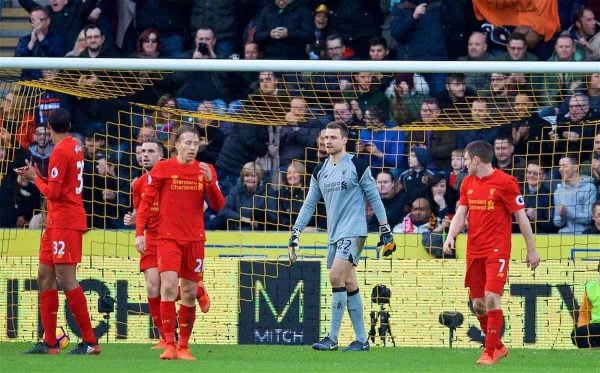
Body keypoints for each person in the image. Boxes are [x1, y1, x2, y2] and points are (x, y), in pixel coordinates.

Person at [288, 121, 396, 352]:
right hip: (335, 234)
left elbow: (374, 197)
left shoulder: (357, 165)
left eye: (333, 137)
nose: (327, 141)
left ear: (344, 140)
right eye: (325, 137)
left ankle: (332, 338)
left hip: (355, 231)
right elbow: (309, 205)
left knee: (335, 276)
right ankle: (362, 340)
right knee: (348, 282)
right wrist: (295, 232)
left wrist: (385, 229)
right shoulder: (320, 170)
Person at [443, 140, 540, 365]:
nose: (464, 164)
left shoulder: (506, 182)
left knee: (491, 297)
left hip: (497, 249)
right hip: (474, 249)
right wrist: (450, 236)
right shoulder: (467, 182)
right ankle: (498, 346)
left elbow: (521, 217)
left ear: (476, 160)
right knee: (477, 303)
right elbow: (461, 213)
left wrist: (531, 249)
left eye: (466, 160)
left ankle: (489, 352)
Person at [135, 127, 226, 360]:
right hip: (168, 239)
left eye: (196, 143)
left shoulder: (205, 170)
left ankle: (184, 346)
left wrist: (211, 183)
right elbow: (145, 203)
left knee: (188, 291)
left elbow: (218, 205)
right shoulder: (163, 169)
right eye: (188, 143)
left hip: (195, 240)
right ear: (177, 145)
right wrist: (139, 233)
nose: (192, 147)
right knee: (167, 287)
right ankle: (169, 343)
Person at [15, 108, 100, 355]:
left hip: (66, 220)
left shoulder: (61, 152)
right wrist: (39, 175)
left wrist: (34, 178)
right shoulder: (75, 146)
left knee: (65, 278)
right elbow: (61, 184)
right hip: (56, 221)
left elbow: (52, 192)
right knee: (44, 275)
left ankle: (90, 341)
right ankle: (50, 342)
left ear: (49, 127)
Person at [123, 139, 167, 348]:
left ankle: (198, 292)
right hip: (150, 238)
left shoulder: (171, 178)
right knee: (152, 287)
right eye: (142, 152)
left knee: (169, 286)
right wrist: (133, 218)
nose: (145, 155)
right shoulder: (138, 184)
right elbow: (140, 211)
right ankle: (165, 337)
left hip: (171, 238)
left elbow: (198, 205)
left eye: (150, 151)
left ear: (160, 156)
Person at [571, 274, 600, 348]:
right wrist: (582, 329)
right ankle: (596, 352)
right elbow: (584, 313)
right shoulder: (591, 288)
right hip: (597, 327)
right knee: (576, 335)